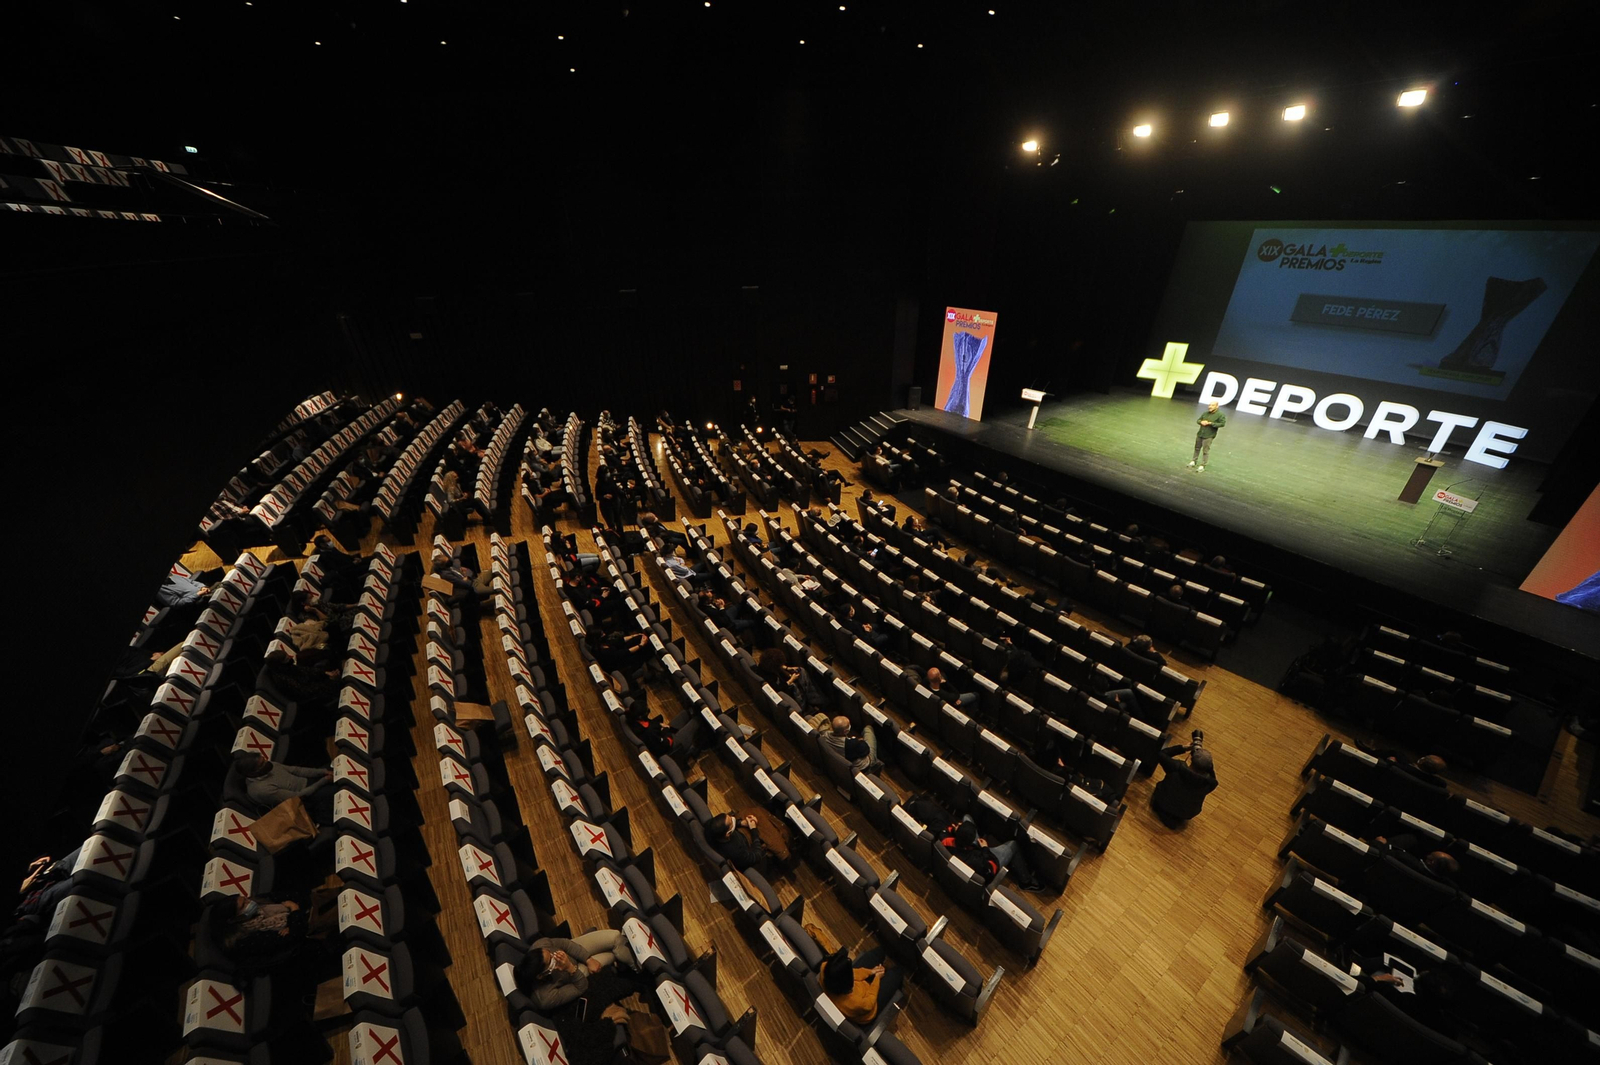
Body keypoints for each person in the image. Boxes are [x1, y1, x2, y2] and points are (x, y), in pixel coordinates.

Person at [517, 931, 641, 1013]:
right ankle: (639, 971)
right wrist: (569, 967)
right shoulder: (545, 998)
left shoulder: (541, 945)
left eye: (551, 952)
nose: (554, 955)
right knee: (612, 954)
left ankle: (638, 963)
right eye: (551, 959)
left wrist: (588, 959)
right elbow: (580, 987)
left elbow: (566, 944)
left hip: (573, 952)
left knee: (615, 937)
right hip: (575, 975)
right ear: (541, 975)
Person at [938, 820, 1042, 892]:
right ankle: (1026, 881)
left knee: (967, 817)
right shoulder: (976, 861)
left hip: (964, 851)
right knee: (1013, 845)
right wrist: (985, 848)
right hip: (986, 857)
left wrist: (954, 829)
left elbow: (945, 831)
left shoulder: (944, 842)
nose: (958, 824)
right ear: (970, 842)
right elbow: (992, 869)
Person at [236, 751, 336, 824]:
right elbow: (298, 796)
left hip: (308, 782)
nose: (266, 762)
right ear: (253, 773)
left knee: (336, 766)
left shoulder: (269, 766)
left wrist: (323, 772)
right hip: (304, 800)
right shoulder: (261, 790)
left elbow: (297, 770)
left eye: (264, 759)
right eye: (262, 764)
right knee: (337, 790)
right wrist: (324, 780)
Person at [819, 944, 904, 1024]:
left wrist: (871, 972)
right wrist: (877, 978)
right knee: (897, 973)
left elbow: (851, 973)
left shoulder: (824, 968)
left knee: (879, 952)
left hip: (854, 987)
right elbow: (870, 1001)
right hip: (870, 1006)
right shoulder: (856, 1003)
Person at [1151, 730, 1217, 825]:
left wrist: (1183, 748)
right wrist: (1206, 760)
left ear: (1191, 759)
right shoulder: (1210, 783)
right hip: (1185, 814)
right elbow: (1212, 774)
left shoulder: (1176, 768)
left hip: (1162, 803)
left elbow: (1162, 754)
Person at [708, 812, 779, 876]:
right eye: (731, 822)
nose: (733, 818)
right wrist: (753, 829)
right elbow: (756, 856)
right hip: (750, 852)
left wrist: (741, 823)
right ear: (728, 834)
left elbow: (729, 825)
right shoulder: (736, 852)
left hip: (741, 837)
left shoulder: (711, 827)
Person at [1187, 401, 1227, 471]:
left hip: (1209, 435)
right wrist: (1201, 422)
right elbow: (1198, 420)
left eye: (1212, 405)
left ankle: (1203, 465)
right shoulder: (1205, 413)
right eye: (1209, 405)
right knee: (1197, 448)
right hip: (1200, 433)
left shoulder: (1220, 415)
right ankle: (1194, 461)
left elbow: (1222, 424)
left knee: (1205, 451)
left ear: (1217, 406)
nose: (1210, 407)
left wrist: (1211, 423)